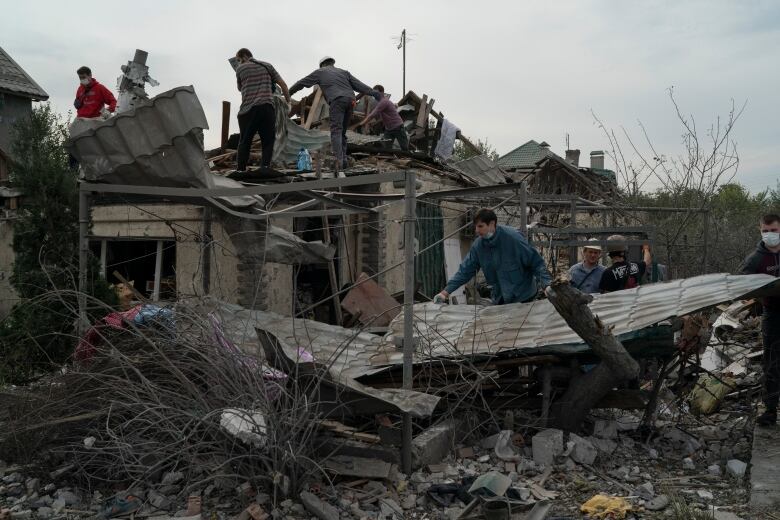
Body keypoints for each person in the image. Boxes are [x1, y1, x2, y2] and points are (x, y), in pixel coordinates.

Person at [434, 209, 552, 305]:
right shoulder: (479, 246)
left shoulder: (513, 239)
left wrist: (547, 285)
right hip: (501, 299)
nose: (476, 230)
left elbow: (536, 263)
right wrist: (445, 293)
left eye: (480, 226)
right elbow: (465, 271)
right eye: (475, 227)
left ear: (491, 224)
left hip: (524, 297)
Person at [289, 57, 378, 170]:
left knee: (336, 131)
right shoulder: (344, 72)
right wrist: (375, 93)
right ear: (332, 63)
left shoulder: (320, 72)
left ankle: (339, 162)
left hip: (337, 100)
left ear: (322, 65)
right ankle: (344, 160)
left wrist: (288, 92)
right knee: (342, 132)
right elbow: (360, 85)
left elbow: (301, 83)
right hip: (351, 101)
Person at [739, 213, 780, 426]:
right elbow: (741, 286)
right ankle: (771, 410)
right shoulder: (755, 258)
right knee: (772, 363)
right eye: (766, 231)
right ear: (760, 230)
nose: (770, 234)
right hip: (772, 315)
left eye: (774, 230)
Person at [233, 48, 290, 173]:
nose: (238, 62)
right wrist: (288, 102)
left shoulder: (240, 69)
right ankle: (264, 168)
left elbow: (239, 88)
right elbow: (283, 85)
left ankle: (240, 170)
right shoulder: (267, 66)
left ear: (244, 56)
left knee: (244, 141)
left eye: (238, 60)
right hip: (266, 107)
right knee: (268, 141)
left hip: (247, 110)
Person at [356, 85, 409, 151]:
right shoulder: (381, 103)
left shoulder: (384, 102)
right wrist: (374, 123)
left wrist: (361, 124)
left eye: (376, 92)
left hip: (398, 127)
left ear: (382, 92)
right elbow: (382, 117)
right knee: (386, 148)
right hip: (389, 129)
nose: (374, 94)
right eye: (373, 93)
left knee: (404, 148)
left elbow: (372, 115)